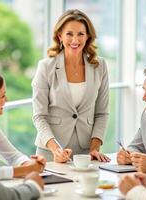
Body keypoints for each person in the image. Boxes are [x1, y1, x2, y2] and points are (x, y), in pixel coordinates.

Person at [32, 9, 110, 163]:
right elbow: (39, 116)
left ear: (88, 36)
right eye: (69, 34)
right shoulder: (46, 67)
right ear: (60, 36)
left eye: (80, 34)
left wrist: (94, 148)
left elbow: (102, 113)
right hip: (50, 151)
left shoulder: (100, 66)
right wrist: (55, 149)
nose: (75, 40)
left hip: (86, 152)